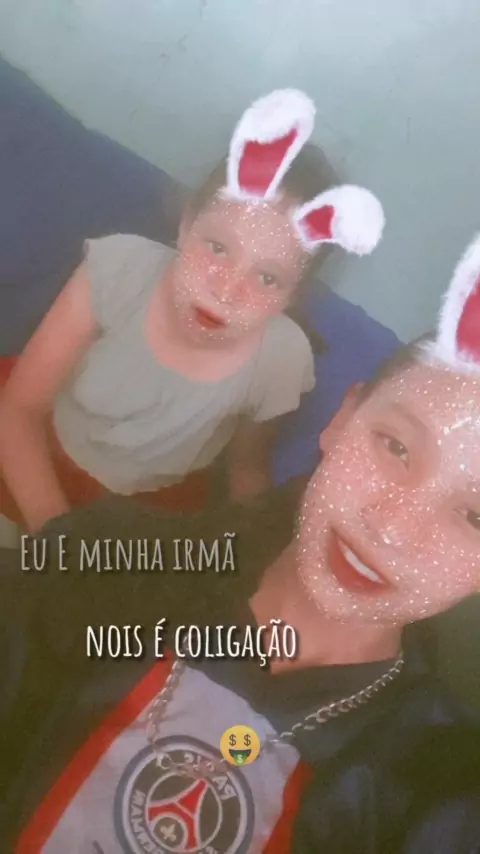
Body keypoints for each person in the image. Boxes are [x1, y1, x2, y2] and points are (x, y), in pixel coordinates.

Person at [4, 233, 480, 853]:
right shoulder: (112, 556)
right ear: (343, 419)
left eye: (473, 516)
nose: (391, 527)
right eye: (395, 447)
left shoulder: (435, 782)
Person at [0, 88, 384, 532]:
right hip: (38, 457)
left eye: (266, 277)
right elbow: (18, 410)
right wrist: (58, 539)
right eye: (218, 248)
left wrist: (247, 550)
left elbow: (246, 471)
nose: (227, 290)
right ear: (186, 225)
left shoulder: (282, 359)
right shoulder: (117, 269)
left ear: (292, 295)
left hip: (152, 512)